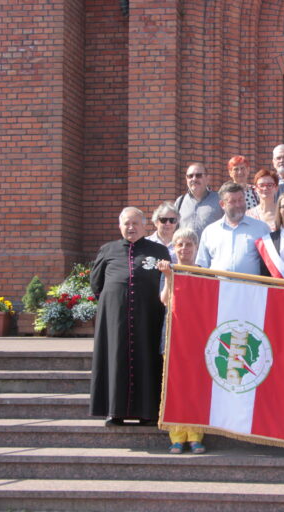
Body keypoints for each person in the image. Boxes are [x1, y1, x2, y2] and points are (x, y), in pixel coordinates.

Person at [90, 207, 171, 427]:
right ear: (120, 226)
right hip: (115, 318)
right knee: (114, 359)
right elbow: (96, 284)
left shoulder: (158, 250)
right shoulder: (108, 250)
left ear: (144, 225)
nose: (131, 227)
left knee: (147, 359)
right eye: (126, 223)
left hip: (148, 317)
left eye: (135, 223)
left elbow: (168, 281)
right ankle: (114, 411)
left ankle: (148, 412)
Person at [156, 227, 207, 455]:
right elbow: (165, 300)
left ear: (196, 247)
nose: (184, 248)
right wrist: (168, 277)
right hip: (173, 336)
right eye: (180, 244)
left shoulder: (204, 273)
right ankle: (176, 437)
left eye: (189, 244)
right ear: (174, 248)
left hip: (197, 337)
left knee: (195, 387)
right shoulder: (169, 271)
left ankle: (195, 436)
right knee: (175, 387)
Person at [196, 181, 269, 274]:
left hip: (250, 283)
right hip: (219, 283)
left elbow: (269, 264)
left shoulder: (261, 228)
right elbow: (202, 266)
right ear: (222, 204)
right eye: (233, 201)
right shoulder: (210, 232)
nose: (238, 205)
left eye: (240, 200)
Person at [174, 163, 222, 238]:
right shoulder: (180, 202)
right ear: (186, 179)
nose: (194, 179)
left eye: (198, 175)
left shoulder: (219, 200)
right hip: (185, 245)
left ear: (207, 178)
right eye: (190, 176)